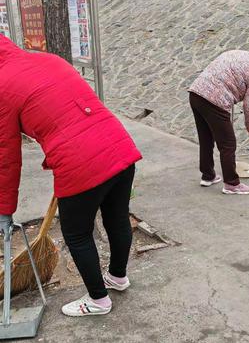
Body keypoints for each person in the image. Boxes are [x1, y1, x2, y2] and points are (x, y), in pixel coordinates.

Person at [0, 36, 142, 316]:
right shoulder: (48, 59)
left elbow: (6, 156)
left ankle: (98, 300)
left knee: (77, 233)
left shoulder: (2, 86)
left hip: (80, 162)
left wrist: (5, 211)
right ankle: (117, 277)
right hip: (119, 146)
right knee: (116, 219)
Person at [189, 42, 249, 195]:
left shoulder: (233, 53)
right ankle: (231, 184)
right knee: (228, 143)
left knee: (206, 138)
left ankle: (208, 176)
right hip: (215, 101)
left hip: (195, 94)